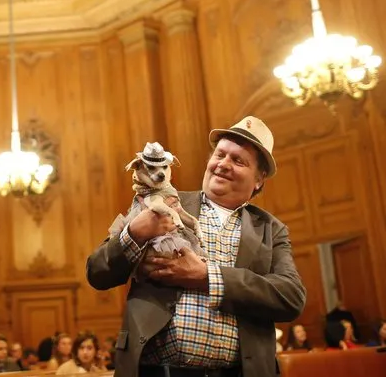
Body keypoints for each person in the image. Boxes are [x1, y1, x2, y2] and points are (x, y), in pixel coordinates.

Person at [86, 116, 306, 377]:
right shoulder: (163, 201)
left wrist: (208, 277)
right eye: (220, 154)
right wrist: (135, 232)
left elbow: (291, 296)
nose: (223, 164)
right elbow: (97, 271)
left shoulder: (271, 228)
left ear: (259, 179)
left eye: (237, 160)